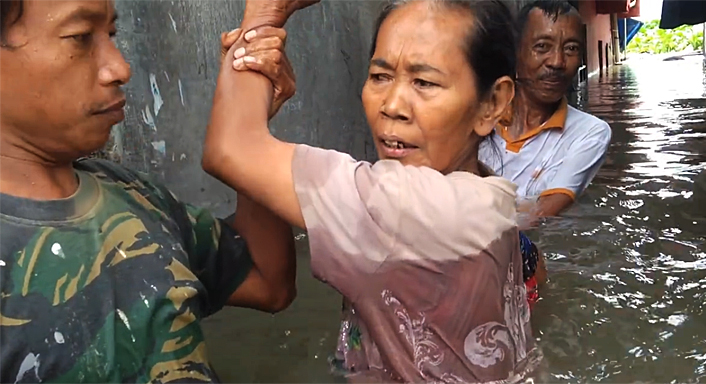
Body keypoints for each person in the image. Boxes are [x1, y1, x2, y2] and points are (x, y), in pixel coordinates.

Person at [204, 0, 542, 382]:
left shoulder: (412, 209)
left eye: (424, 83)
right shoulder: (482, 195)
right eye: (380, 76)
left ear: (493, 104)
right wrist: (257, 107)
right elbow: (272, 289)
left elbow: (230, 149)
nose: (392, 105)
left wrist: (264, 16)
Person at [0, 0, 298, 382]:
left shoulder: (132, 193)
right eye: (79, 37)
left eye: (111, 34)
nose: (120, 68)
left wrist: (250, 126)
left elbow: (270, 283)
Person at [479, 0, 612, 220]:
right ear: (516, 52)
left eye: (571, 48)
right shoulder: (479, 117)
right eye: (542, 46)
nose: (557, 62)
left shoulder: (589, 133)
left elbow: (542, 213)